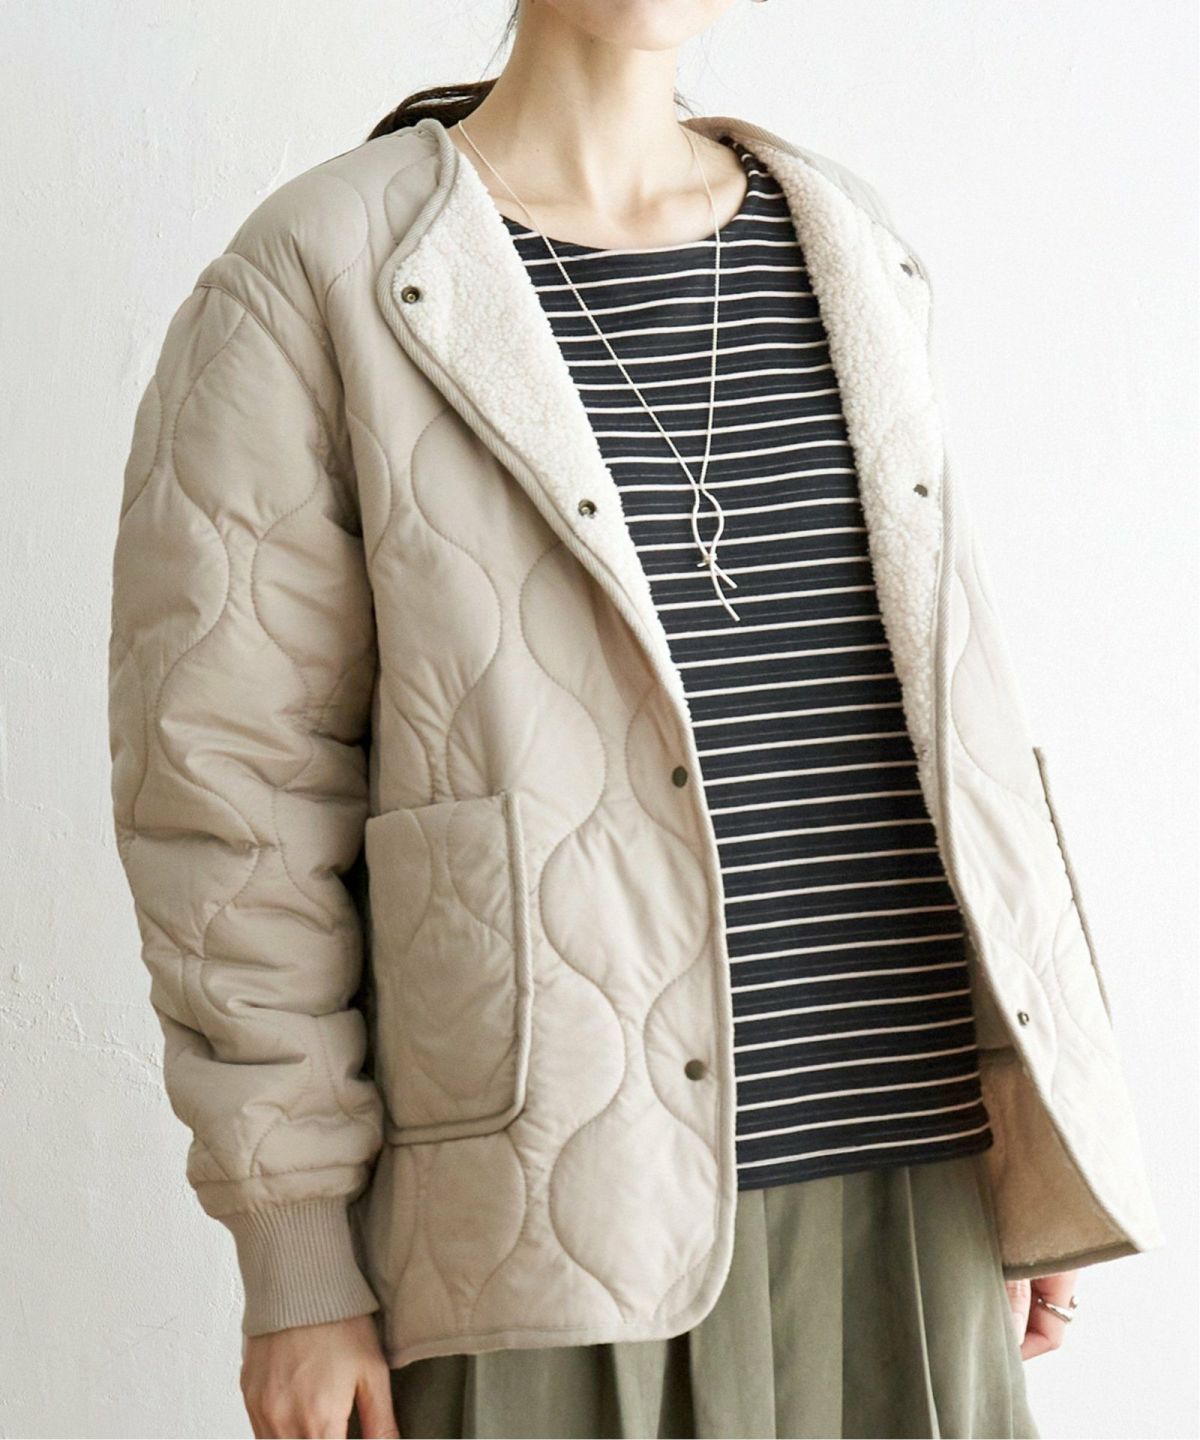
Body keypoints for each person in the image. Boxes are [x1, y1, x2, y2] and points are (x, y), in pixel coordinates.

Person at [106, 2, 1164, 1436]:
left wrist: (1030, 1119)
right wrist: (295, 1259)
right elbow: (230, 800)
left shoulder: (845, 238)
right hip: (557, 1212)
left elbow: (940, 712)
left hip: (916, 1179)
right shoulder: (323, 268)